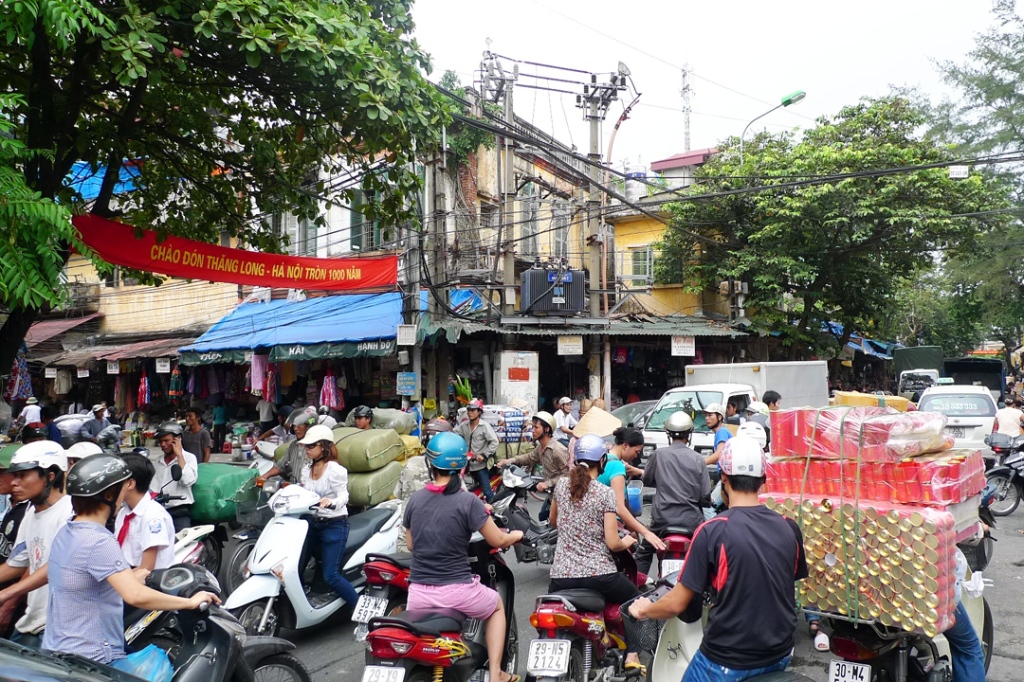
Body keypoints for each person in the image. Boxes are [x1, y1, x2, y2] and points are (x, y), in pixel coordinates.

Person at [629, 437, 808, 682]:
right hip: (780, 654)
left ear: (723, 478)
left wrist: (644, 610)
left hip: (726, 660)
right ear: (763, 481)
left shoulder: (712, 531)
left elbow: (675, 605)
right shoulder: (790, 528)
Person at [40, 454, 219, 666]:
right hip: (92, 657)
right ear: (108, 494)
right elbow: (135, 595)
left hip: (56, 648)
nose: (124, 493)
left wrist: (131, 576)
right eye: (121, 488)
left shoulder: (67, 531)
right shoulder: (98, 540)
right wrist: (189, 602)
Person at [403, 432, 523, 682]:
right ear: (462, 466)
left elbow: (412, 545)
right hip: (456, 590)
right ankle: (497, 673)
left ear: (430, 464)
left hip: (418, 594)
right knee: (496, 606)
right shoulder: (468, 501)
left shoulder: (415, 499)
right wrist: (517, 535)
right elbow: (497, 540)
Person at [548, 431, 644, 675]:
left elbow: (553, 521)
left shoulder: (561, 485)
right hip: (599, 575)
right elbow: (613, 543)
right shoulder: (604, 494)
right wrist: (630, 539)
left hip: (560, 577)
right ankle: (632, 654)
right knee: (634, 599)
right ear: (601, 461)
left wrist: (574, 530)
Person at [0, 440, 73, 647]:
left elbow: (56, 566)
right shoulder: (31, 512)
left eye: (23, 476)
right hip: (31, 621)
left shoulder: (69, 513)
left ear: (50, 476)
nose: (15, 482)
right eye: (14, 476)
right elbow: (17, 563)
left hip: (57, 627)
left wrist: (7, 594)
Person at [637, 412, 711, 575]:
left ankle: (637, 594)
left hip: (662, 521)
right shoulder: (698, 459)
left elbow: (648, 480)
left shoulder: (658, 455)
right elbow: (705, 496)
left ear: (668, 434)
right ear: (689, 435)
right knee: (708, 554)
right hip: (692, 522)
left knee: (643, 554)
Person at [296, 425, 358, 607]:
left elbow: (344, 496)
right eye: (306, 446)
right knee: (295, 568)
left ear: (323, 446)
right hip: (310, 524)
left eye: (311, 446)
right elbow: (303, 491)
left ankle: (362, 611)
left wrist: (331, 502)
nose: (307, 449)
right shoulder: (306, 469)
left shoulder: (335, 470)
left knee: (330, 575)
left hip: (334, 524)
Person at [596, 430, 664, 557]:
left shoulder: (602, 460)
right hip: (613, 527)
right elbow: (619, 508)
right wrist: (645, 532)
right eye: (636, 451)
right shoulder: (617, 466)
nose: (636, 456)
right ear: (625, 445)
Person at [497, 412, 568, 523]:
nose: (532, 430)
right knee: (543, 517)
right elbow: (528, 458)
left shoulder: (557, 450)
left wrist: (547, 483)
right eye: (532, 427)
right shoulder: (541, 448)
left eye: (536, 427)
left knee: (555, 523)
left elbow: (569, 475)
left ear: (547, 429)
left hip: (563, 497)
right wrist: (509, 461)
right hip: (552, 495)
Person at [115, 453, 176, 571]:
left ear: (130, 483)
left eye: (115, 481)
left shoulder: (153, 517)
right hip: (126, 574)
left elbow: (146, 568)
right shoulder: (124, 513)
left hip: (147, 582)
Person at [0, 447, 28, 637]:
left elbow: (30, 564)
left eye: (3, 473)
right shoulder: (13, 505)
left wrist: (10, 603)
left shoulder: (30, 510)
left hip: (16, 600)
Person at [149, 421, 198, 531]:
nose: (162, 445)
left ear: (178, 439)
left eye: (166, 441)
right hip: (158, 511)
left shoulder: (189, 458)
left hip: (179, 512)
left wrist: (179, 455)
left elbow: (187, 480)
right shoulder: (157, 462)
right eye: (160, 441)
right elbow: (152, 487)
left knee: (182, 544)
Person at [455, 399, 499, 502]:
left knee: (487, 491)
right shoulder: (464, 425)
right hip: (465, 463)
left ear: (479, 412)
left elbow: (494, 442)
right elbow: (454, 434)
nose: (470, 412)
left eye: (473, 410)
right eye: (469, 410)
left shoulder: (484, 427)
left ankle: (492, 510)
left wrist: (484, 455)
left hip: (479, 465)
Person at [262, 407, 318, 484]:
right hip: (294, 487)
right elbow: (280, 466)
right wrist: (264, 476)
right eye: (294, 426)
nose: (295, 429)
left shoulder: (318, 446)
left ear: (308, 427)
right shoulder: (293, 445)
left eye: (299, 425)